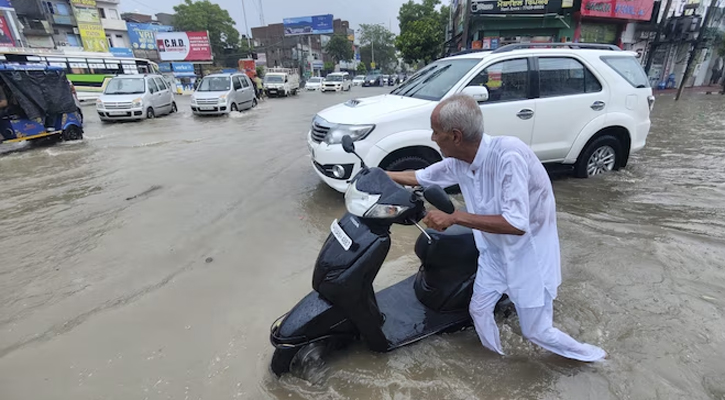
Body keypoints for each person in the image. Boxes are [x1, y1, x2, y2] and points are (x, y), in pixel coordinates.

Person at [386, 94, 606, 362]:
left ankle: (595, 358)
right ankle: (498, 361)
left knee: (537, 331)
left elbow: (516, 224)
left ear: (455, 136)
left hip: (528, 256)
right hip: (492, 251)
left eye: (436, 132)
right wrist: (377, 175)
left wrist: (455, 217)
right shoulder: (460, 161)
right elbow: (421, 176)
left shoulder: (508, 155)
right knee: (478, 309)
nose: (433, 138)